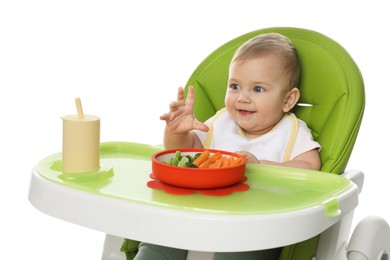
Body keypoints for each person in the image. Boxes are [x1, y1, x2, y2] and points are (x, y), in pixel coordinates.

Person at [134, 32, 321, 260]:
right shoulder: (221, 122)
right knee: (162, 232)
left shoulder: (291, 130)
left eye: (258, 89)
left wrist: (260, 166)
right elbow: (187, 152)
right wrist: (176, 132)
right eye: (234, 86)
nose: (242, 98)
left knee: (243, 250)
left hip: (257, 225)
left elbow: (311, 167)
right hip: (198, 212)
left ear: (288, 100)